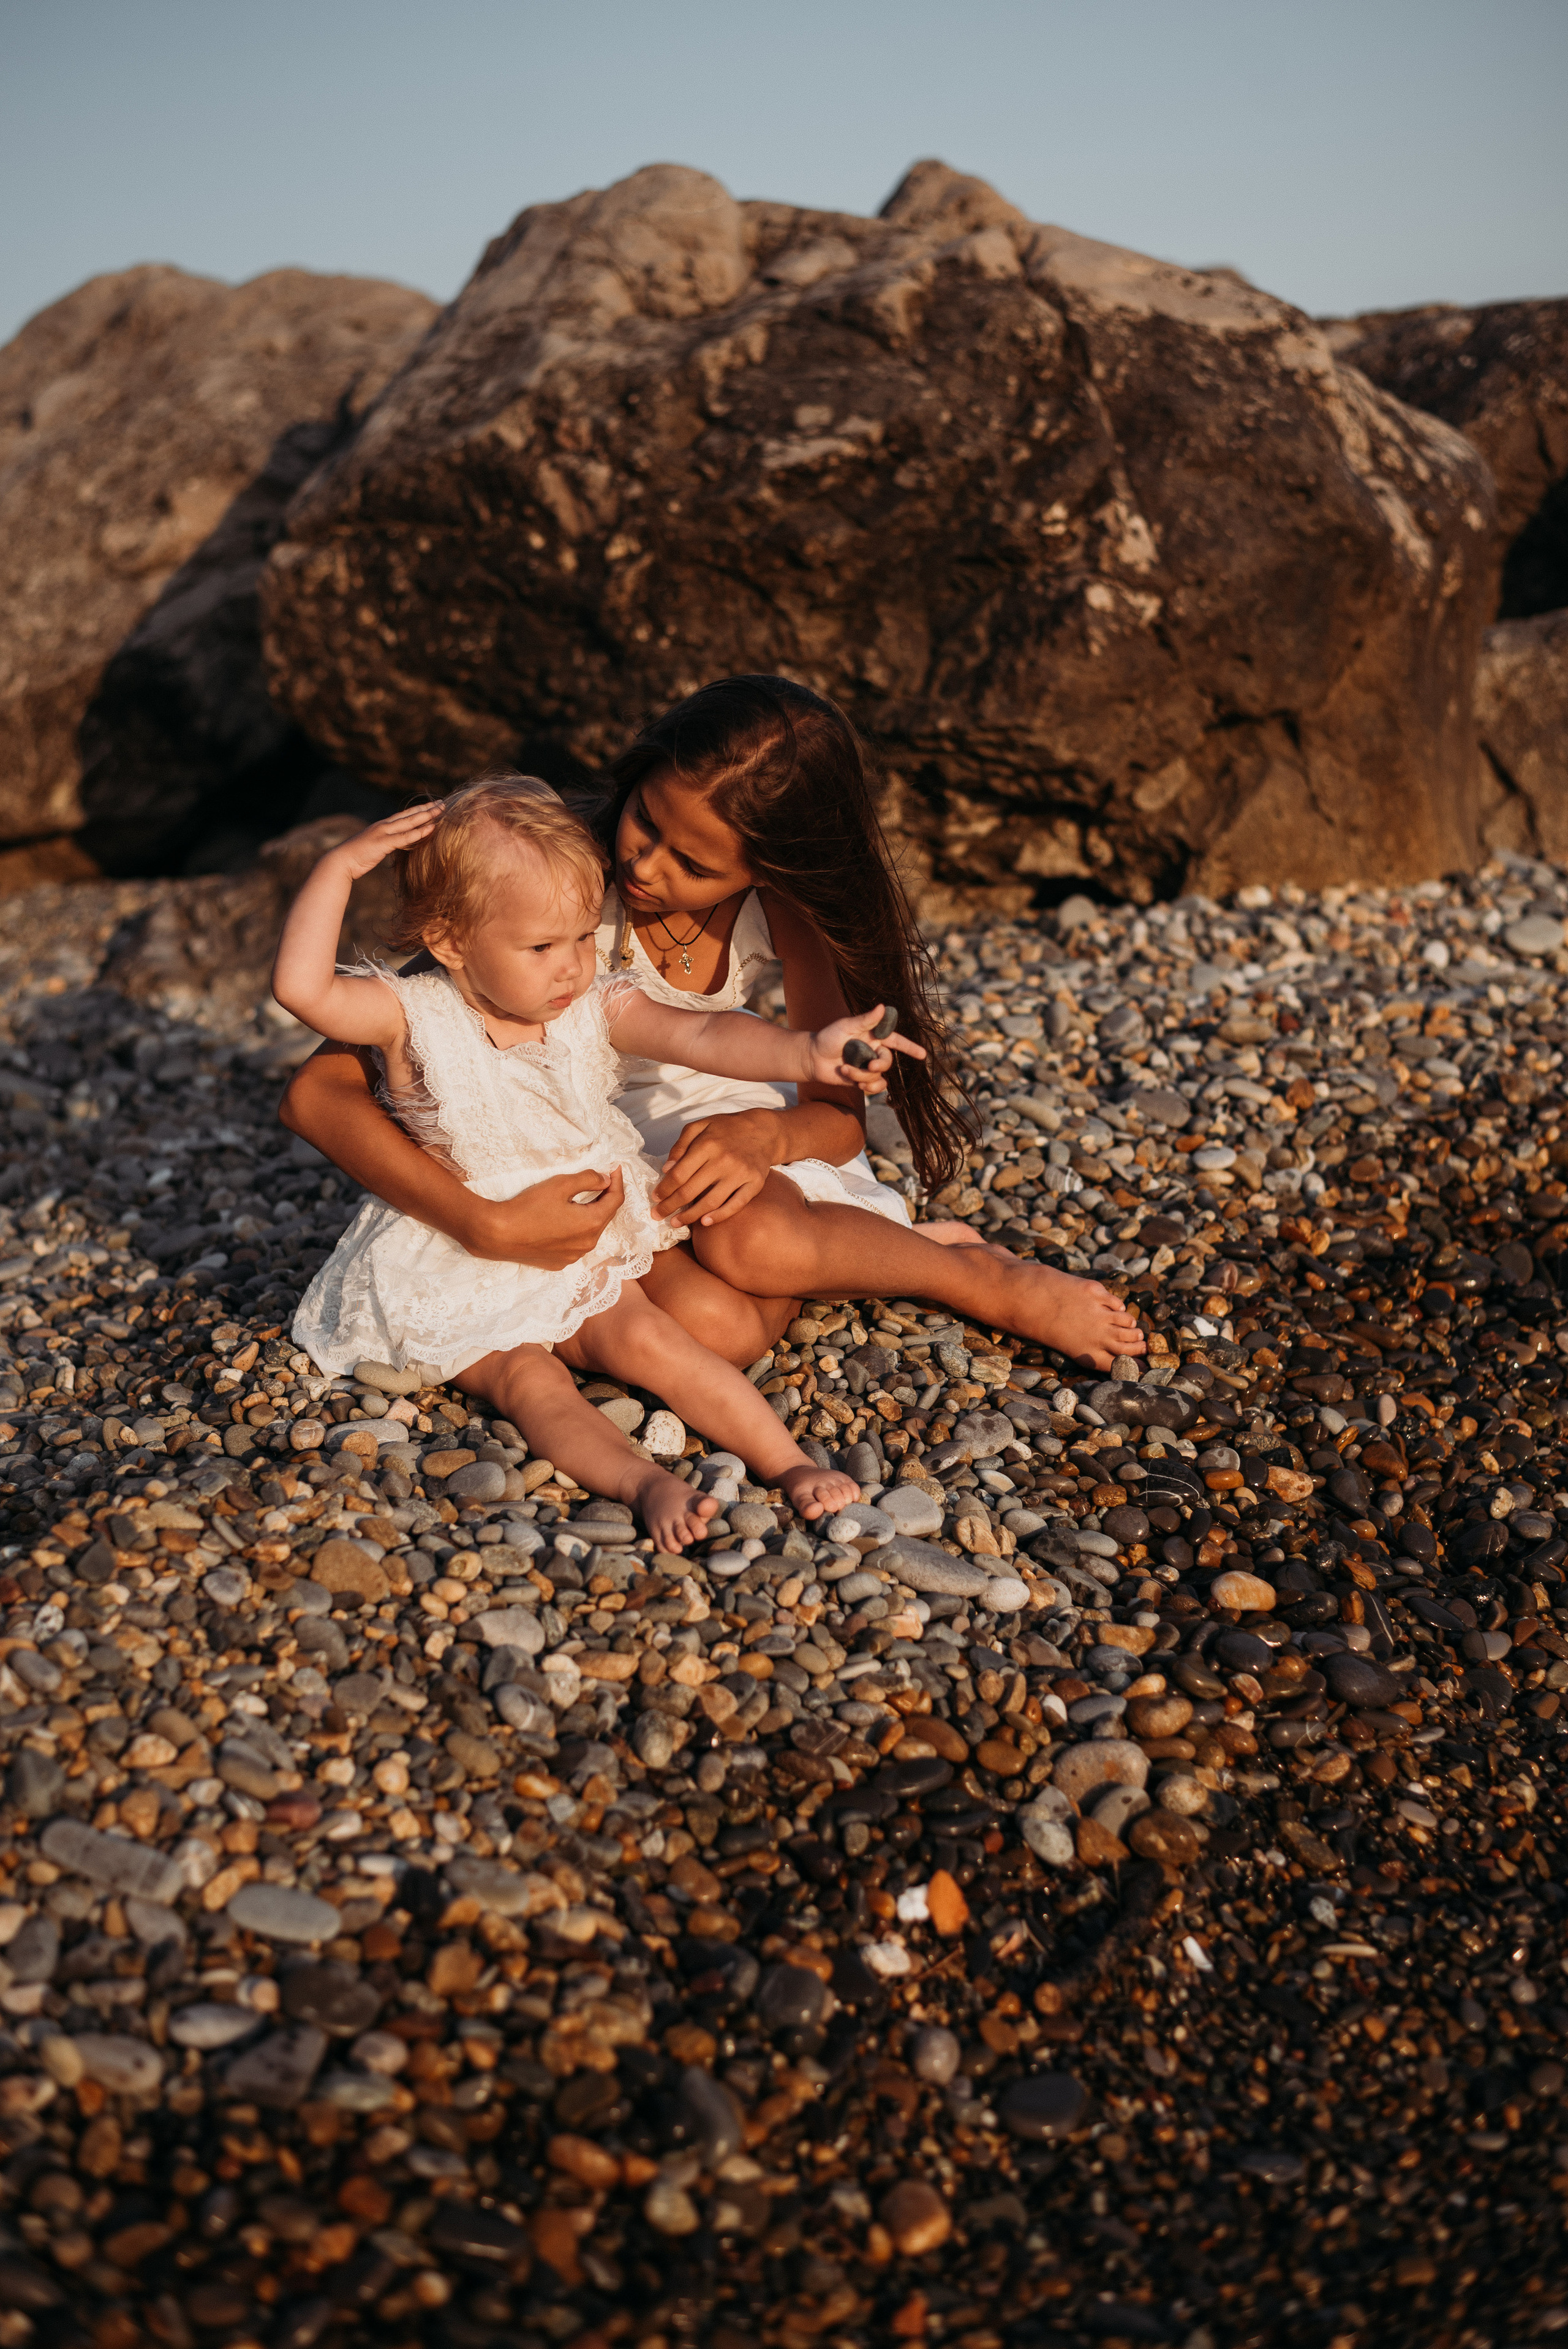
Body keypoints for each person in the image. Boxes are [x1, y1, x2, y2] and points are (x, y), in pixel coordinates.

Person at [281, 675, 1145, 1372]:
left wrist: (762, 1135)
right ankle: (865, 1254)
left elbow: (834, 1122)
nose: (643, 865)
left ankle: (976, 1277)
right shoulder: (554, 881)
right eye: (645, 820)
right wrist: (480, 1223)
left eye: (692, 863)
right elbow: (318, 1092)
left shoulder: (790, 916)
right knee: (720, 1335)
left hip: (716, 1101)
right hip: (580, 1131)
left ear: (770, 865)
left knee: (755, 1235)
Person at [271, 776, 919, 1550]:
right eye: (542, 947)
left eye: (583, 937)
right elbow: (300, 989)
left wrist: (801, 1049)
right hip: (458, 1258)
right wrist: (338, 869)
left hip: (586, 1245)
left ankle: (786, 1464)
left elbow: (704, 1039)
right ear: (449, 943)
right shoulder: (410, 1015)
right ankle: (643, 1483)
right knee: (527, 1382)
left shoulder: (589, 1003)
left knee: (650, 1341)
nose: (572, 967)